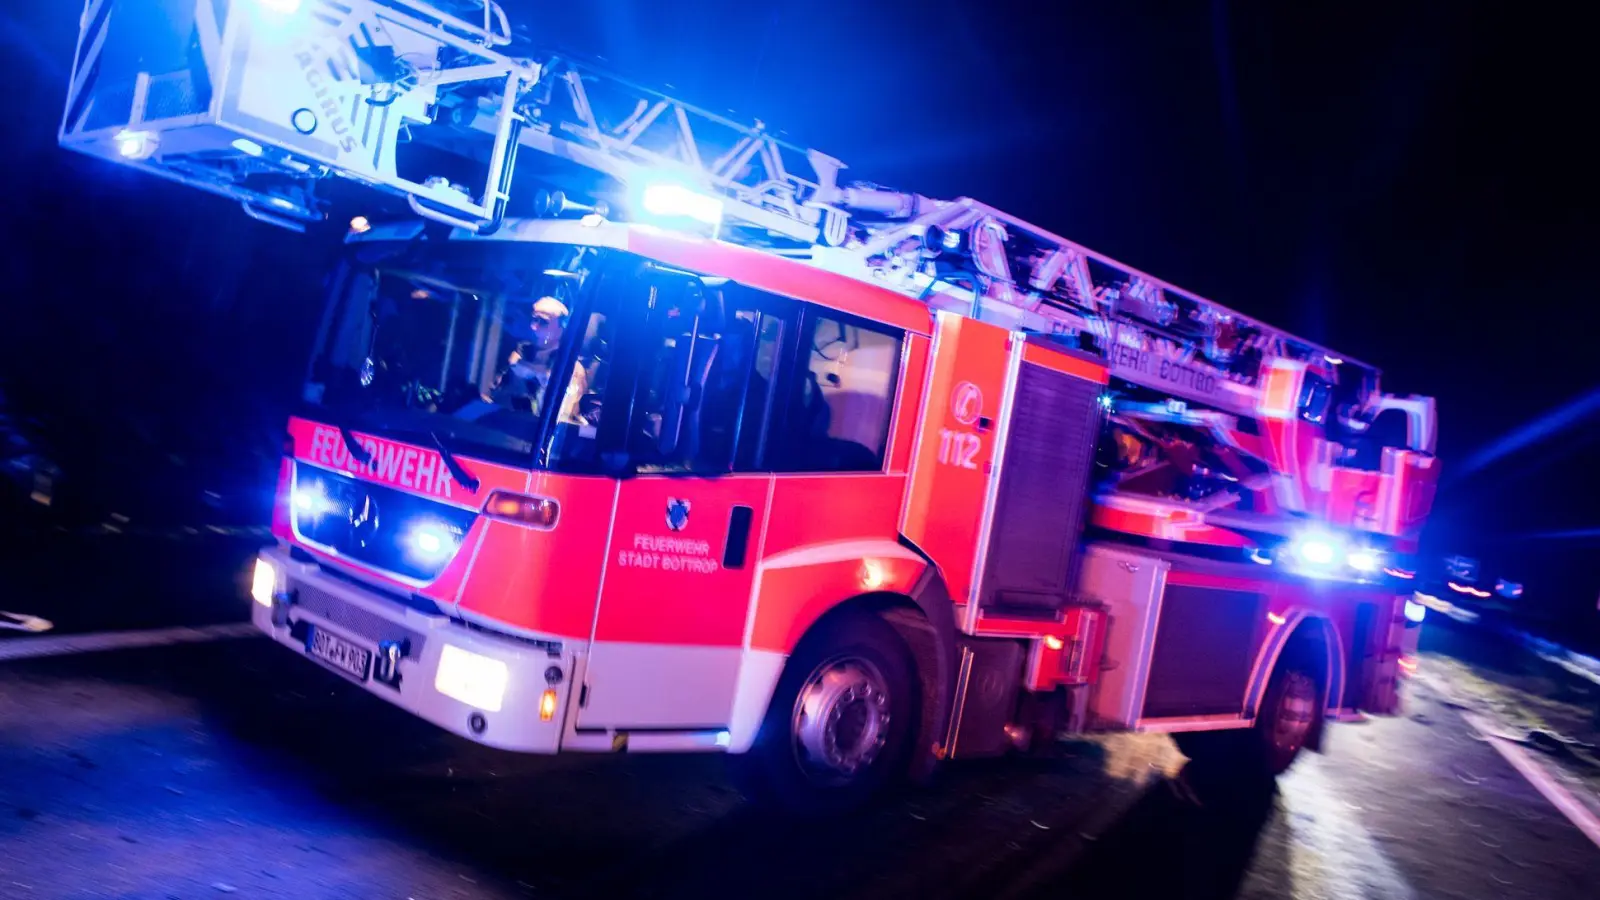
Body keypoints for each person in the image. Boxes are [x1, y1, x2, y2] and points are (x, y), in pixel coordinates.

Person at [489, 296, 589, 424]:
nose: (534, 327)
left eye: (543, 322)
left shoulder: (571, 369)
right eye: (534, 319)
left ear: (560, 330)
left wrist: (534, 372)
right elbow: (499, 397)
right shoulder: (520, 355)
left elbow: (562, 420)